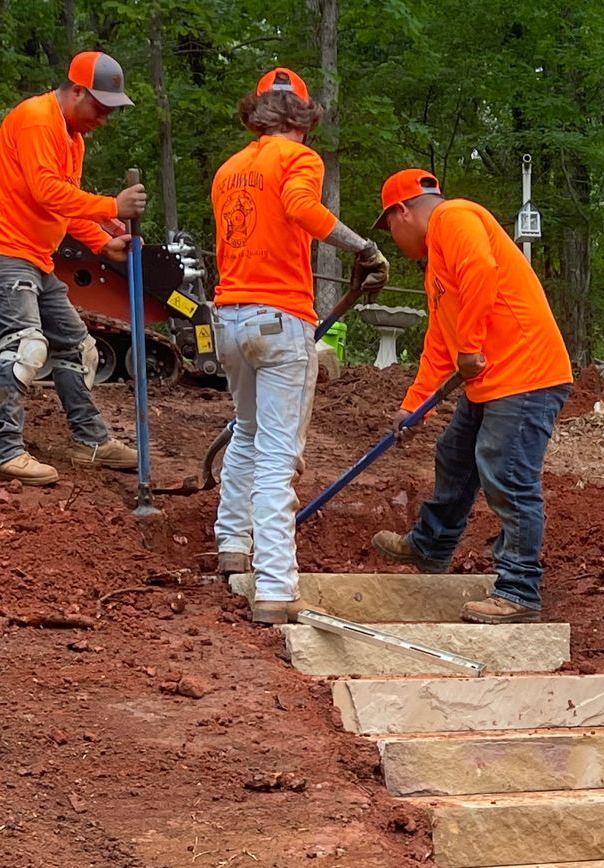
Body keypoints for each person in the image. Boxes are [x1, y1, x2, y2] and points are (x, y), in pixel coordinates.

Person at [210, 67, 388, 623]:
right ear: (304, 118)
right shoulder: (299, 159)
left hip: (229, 319)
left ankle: (231, 544)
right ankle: (276, 588)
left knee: (246, 432)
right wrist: (364, 247)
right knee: (277, 457)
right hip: (279, 317)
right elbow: (301, 209)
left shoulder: (229, 169)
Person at [369, 170, 573, 624]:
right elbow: (440, 342)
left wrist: (471, 347)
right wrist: (414, 403)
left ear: (402, 212)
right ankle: (430, 546)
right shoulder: (437, 266)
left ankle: (519, 591)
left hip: (527, 374)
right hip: (495, 378)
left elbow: (482, 270)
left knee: (507, 473)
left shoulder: (454, 217)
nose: (394, 239)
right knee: (456, 454)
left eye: (390, 228)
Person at [0, 51, 147, 486]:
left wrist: (103, 241)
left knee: (79, 351)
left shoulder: (72, 139)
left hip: (33, 259)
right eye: (100, 107)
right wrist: (111, 206)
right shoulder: (37, 120)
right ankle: (3, 452)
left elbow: (65, 204)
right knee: (27, 347)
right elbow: (48, 192)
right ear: (78, 91)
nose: (104, 118)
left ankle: (90, 443)